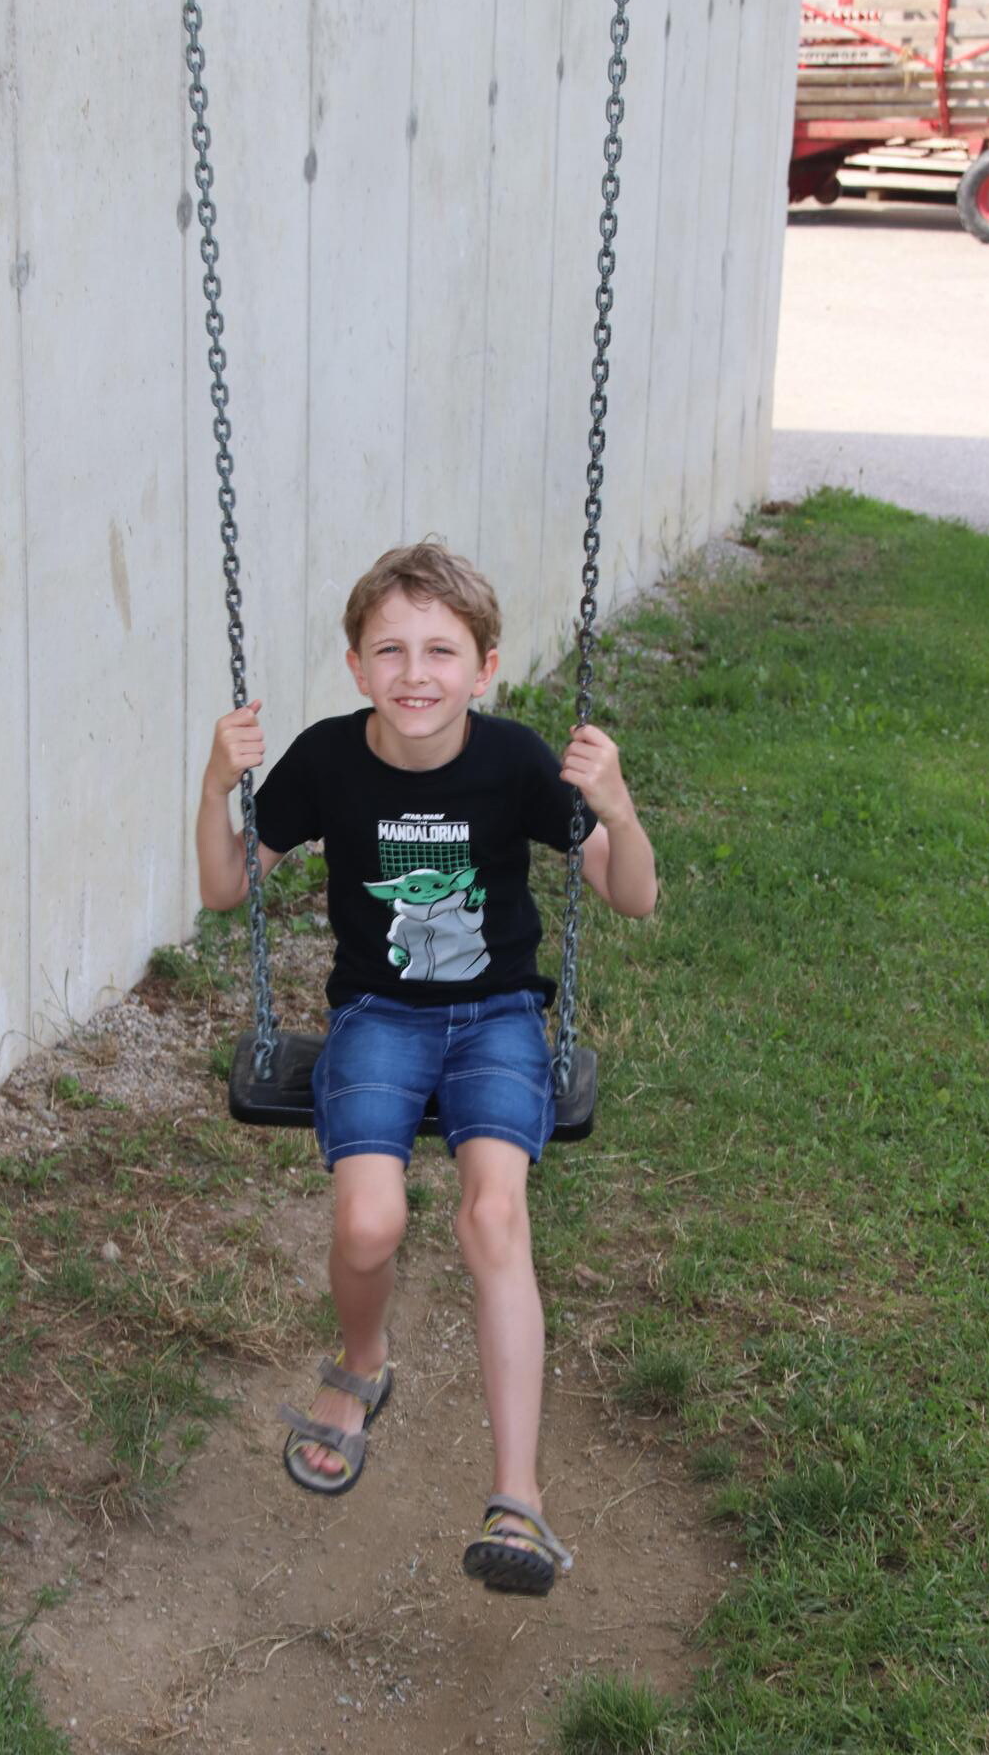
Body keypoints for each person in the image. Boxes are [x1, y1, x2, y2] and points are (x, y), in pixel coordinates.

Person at [195, 540, 657, 1597]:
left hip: (499, 1020)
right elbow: (227, 890)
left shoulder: (516, 762)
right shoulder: (325, 760)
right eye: (390, 650)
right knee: (369, 1222)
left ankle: (517, 1500)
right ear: (356, 665)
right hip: (378, 1018)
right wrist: (217, 788)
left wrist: (619, 810)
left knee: (494, 1216)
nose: (415, 673)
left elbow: (632, 896)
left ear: (484, 668)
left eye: (441, 651)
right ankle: (362, 1365)